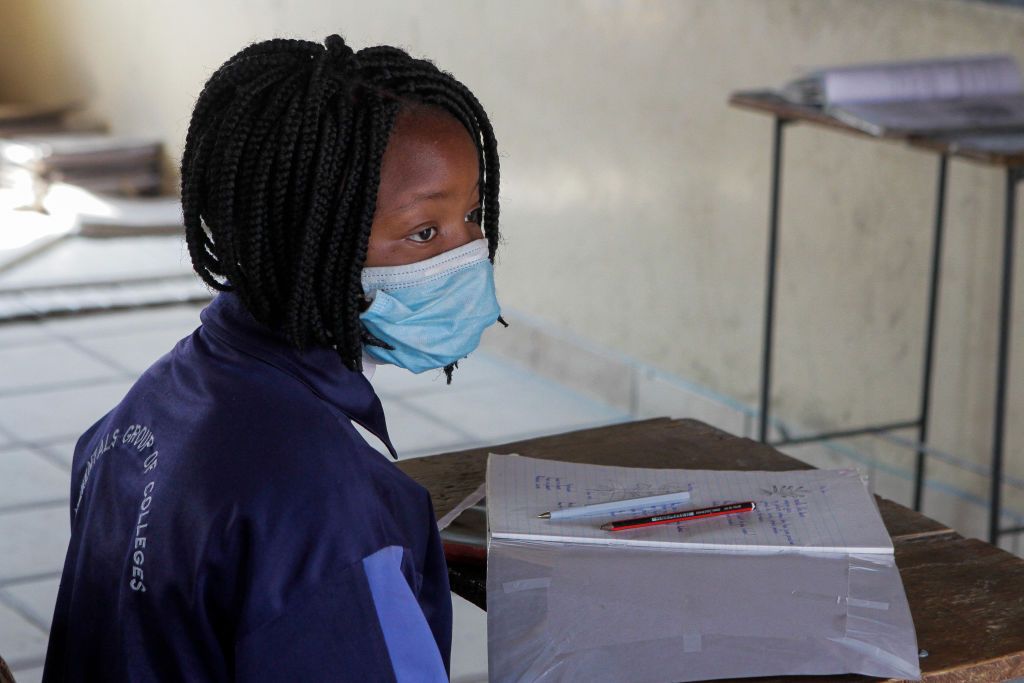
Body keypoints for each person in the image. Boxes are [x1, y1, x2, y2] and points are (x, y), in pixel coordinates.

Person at [43, 34, 502, 682]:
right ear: (307, 241)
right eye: (424, 232)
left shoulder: (151, 401)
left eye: (473, 213)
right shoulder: (333, 513)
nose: (469, 251)